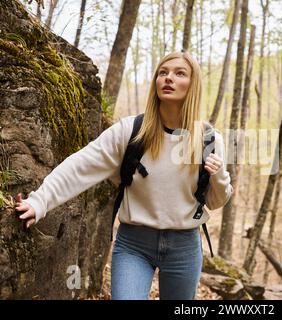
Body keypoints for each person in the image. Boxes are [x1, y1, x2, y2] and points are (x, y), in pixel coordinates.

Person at [14, 51, 233, 300]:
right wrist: (39, 202)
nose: (168, 78)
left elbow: (216, 201)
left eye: (179, 73)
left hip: (184, 247)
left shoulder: (209, 139)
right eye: (163, 72)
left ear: (193, 85)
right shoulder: (131, 131)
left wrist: (218, 175)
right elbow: (79, 166)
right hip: (134, 245)